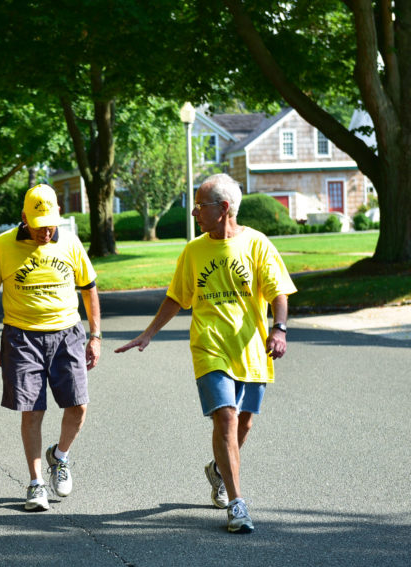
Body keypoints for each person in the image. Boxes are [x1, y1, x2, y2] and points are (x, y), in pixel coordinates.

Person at [115, 173, 296, 534]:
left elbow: (278, 291)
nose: (195, 212)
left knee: (244, 423)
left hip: (250, 348)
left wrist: (279, 328)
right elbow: (177, 297)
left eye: (201, 206)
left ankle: (217, 469)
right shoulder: (194, 250)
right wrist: (148, 333)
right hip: (209, 346)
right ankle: (237, 503)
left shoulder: (258, 245)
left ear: (224, 208)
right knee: (226, 419)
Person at [0, 184, 102, 512]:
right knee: (33, 411)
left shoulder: (70, 242)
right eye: (38, 225)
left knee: (78, 406)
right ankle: (35, 483)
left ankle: (59, 457)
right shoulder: (4, 245)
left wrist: (95, 335)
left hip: (67, 334)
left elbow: (89, 288)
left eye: (50, 224)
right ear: (23, 218)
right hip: (21, 336)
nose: (45, 231)